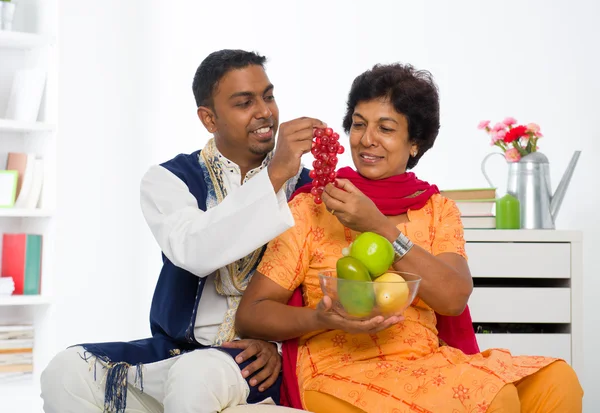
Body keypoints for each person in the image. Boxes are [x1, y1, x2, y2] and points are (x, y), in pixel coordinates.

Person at [236, 63, 584, 412]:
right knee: (493, 397)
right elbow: (251, 314)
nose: (367, 139)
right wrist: (320, 318)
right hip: (341, 371)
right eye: (359, 124)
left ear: (414, 143)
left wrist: (380, 228)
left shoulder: (437, 210)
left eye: (385, 128)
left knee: (556, 379)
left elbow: (452, 297)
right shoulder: (314, 205)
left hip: (427, 364)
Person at [40, 49, 324, 413]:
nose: (265, 111)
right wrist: (275, 175)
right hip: (177, 348)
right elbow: (194, 251)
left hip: (254, 361)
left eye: (268, 96)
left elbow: (322, 288)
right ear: (209, 119)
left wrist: (280, 348)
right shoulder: (169, 179)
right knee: (66, 371)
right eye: (244, 102)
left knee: (196, 375)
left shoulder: (309, 188)